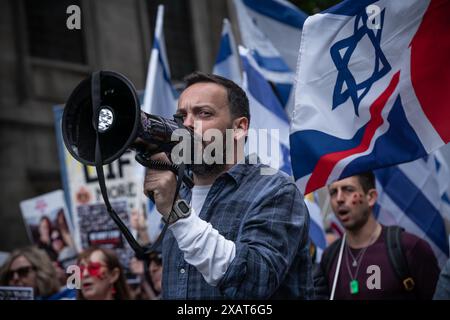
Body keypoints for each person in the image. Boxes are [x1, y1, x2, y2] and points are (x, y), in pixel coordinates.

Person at [143, 72, 313, 299]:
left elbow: (254, 284)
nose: (187, 125)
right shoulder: (180, 191)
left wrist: (178, 215)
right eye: (180, 116)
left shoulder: (275, 190)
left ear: (240, 127)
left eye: (204, 113)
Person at [314, 172, 440, 300]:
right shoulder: (330, 257)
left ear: (371, 197)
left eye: (348, 189)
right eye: (333, 192)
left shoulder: (410, 248)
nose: (339, 198)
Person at [0, 246, 76, 300]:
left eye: (23, 271)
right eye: (9, 275)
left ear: (41, 270)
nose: (15, 278)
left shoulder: (72, 296)